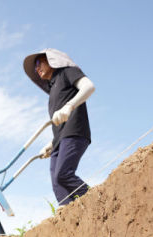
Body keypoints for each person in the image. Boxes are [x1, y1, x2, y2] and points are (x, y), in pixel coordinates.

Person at [23, 49, 95, 206]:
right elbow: (60, 122)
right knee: (57, 184)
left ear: (52, 60)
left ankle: (97, 201)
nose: (37, 68)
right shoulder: (53, 90)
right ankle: (68, 217)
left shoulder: (67, 73)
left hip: (74, 132)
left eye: (38, 63)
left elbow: (89, 87)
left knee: (63, 174)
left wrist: (69, 106)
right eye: (35, 66)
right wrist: (51, 144)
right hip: (59, 139)